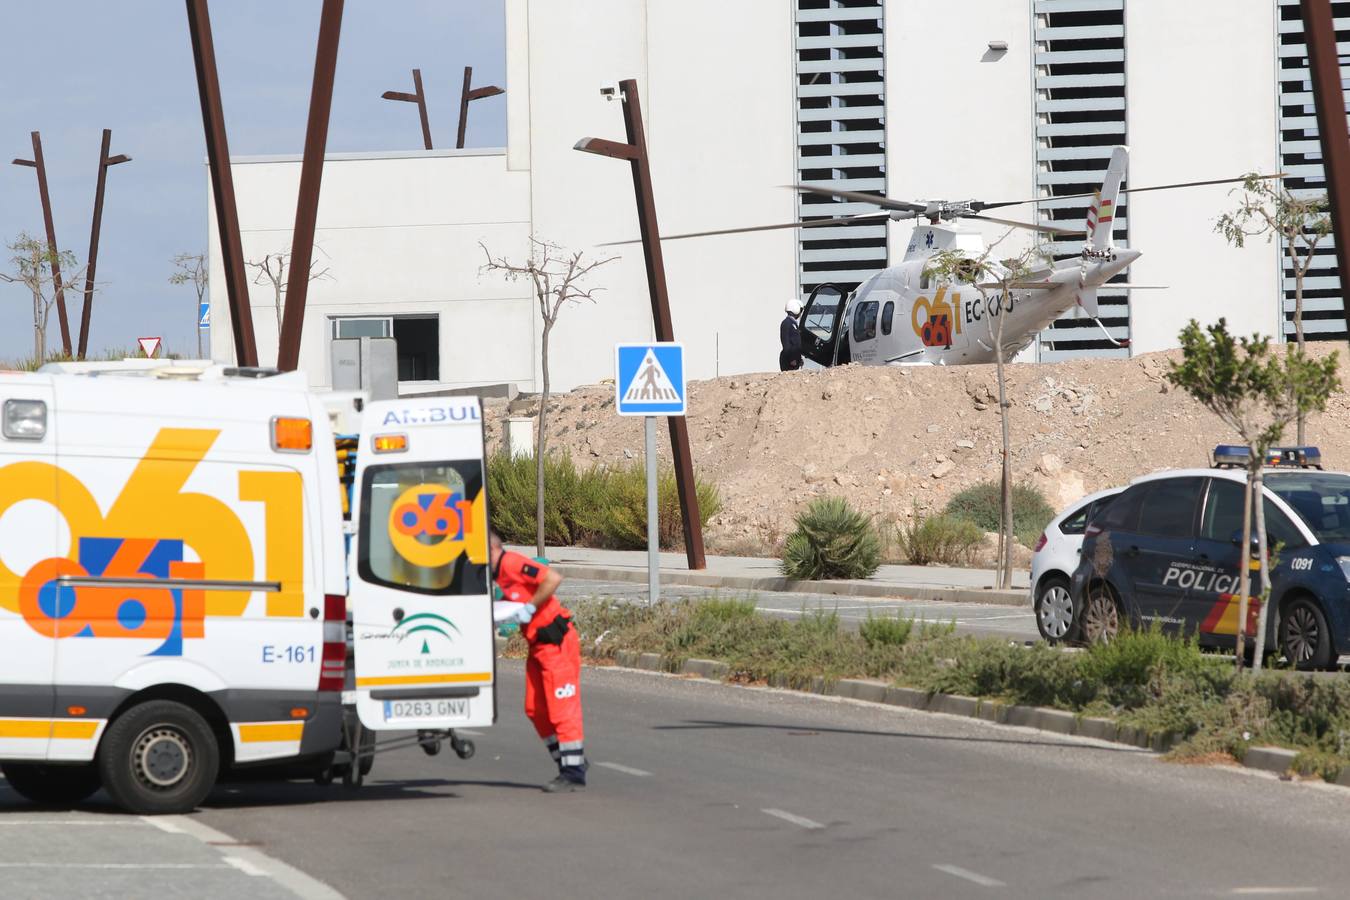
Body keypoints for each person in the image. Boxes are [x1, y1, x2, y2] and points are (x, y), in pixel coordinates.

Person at [489, 530, 588, 792]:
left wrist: (531, 606)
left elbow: (553, 578)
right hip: (538, 646)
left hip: (556, 642)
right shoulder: (498, 573)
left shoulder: (511, 563)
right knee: (535, 709)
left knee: (561, 709)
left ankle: (573, 771)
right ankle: (569, 761)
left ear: (490, 549)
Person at [780, 298, 804, 372]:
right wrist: (792, 359)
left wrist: (799, 358)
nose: (800, 313)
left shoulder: (793, 323)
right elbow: (786, 343)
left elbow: (796, 343)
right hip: (788, 360)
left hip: (794, 359)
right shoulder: (787, 323)